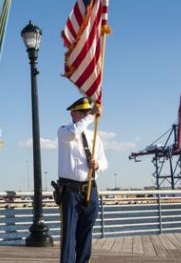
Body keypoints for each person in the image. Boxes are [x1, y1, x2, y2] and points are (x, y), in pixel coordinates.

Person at [56, 97, 108, 263]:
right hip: (70, 191)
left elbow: (105, 162)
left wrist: (98, 164)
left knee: (86, 232)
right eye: (83, 112)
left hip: (90, 189)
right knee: (69, 235)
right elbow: (74, 132)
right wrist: (91, 116)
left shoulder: (95, 138)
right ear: (73, 114)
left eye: (88, 111)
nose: (87, 114)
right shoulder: (64, 131)